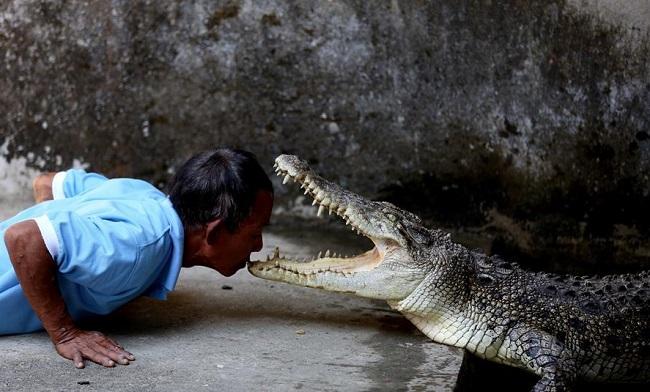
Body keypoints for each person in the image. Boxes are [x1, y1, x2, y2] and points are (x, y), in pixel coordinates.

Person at [1, 148, 273, 368]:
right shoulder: (137, 248)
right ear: (214, 233)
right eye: (255, 232)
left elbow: (49, 182)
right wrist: (65, 332)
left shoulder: (143, 194)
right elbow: (25, 239)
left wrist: (83, 276)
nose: (259, 245)